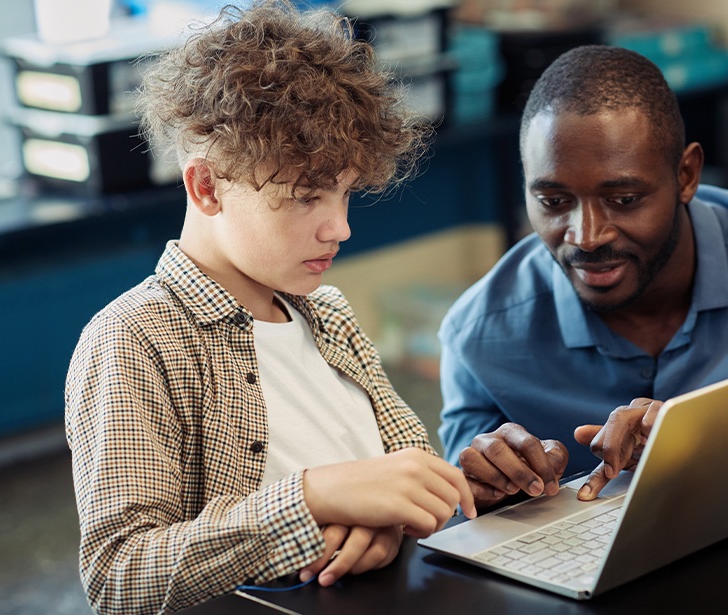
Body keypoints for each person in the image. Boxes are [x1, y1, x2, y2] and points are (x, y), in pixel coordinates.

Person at [64, 3, 475, 614]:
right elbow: (119, 577)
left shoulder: (328, 313)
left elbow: (407, 472)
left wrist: (398, 516)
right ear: (206, 187)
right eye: (305, 197)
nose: (339, 228)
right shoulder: (133, 338)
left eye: (343, 194)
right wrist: (310, 500)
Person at [437, 45, 728, 511]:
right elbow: (461, 496)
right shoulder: (478, 335)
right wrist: (496, 482)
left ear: (687, 175)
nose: (586, 236)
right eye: (553, 202)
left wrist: (710, 451)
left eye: (624, 199)